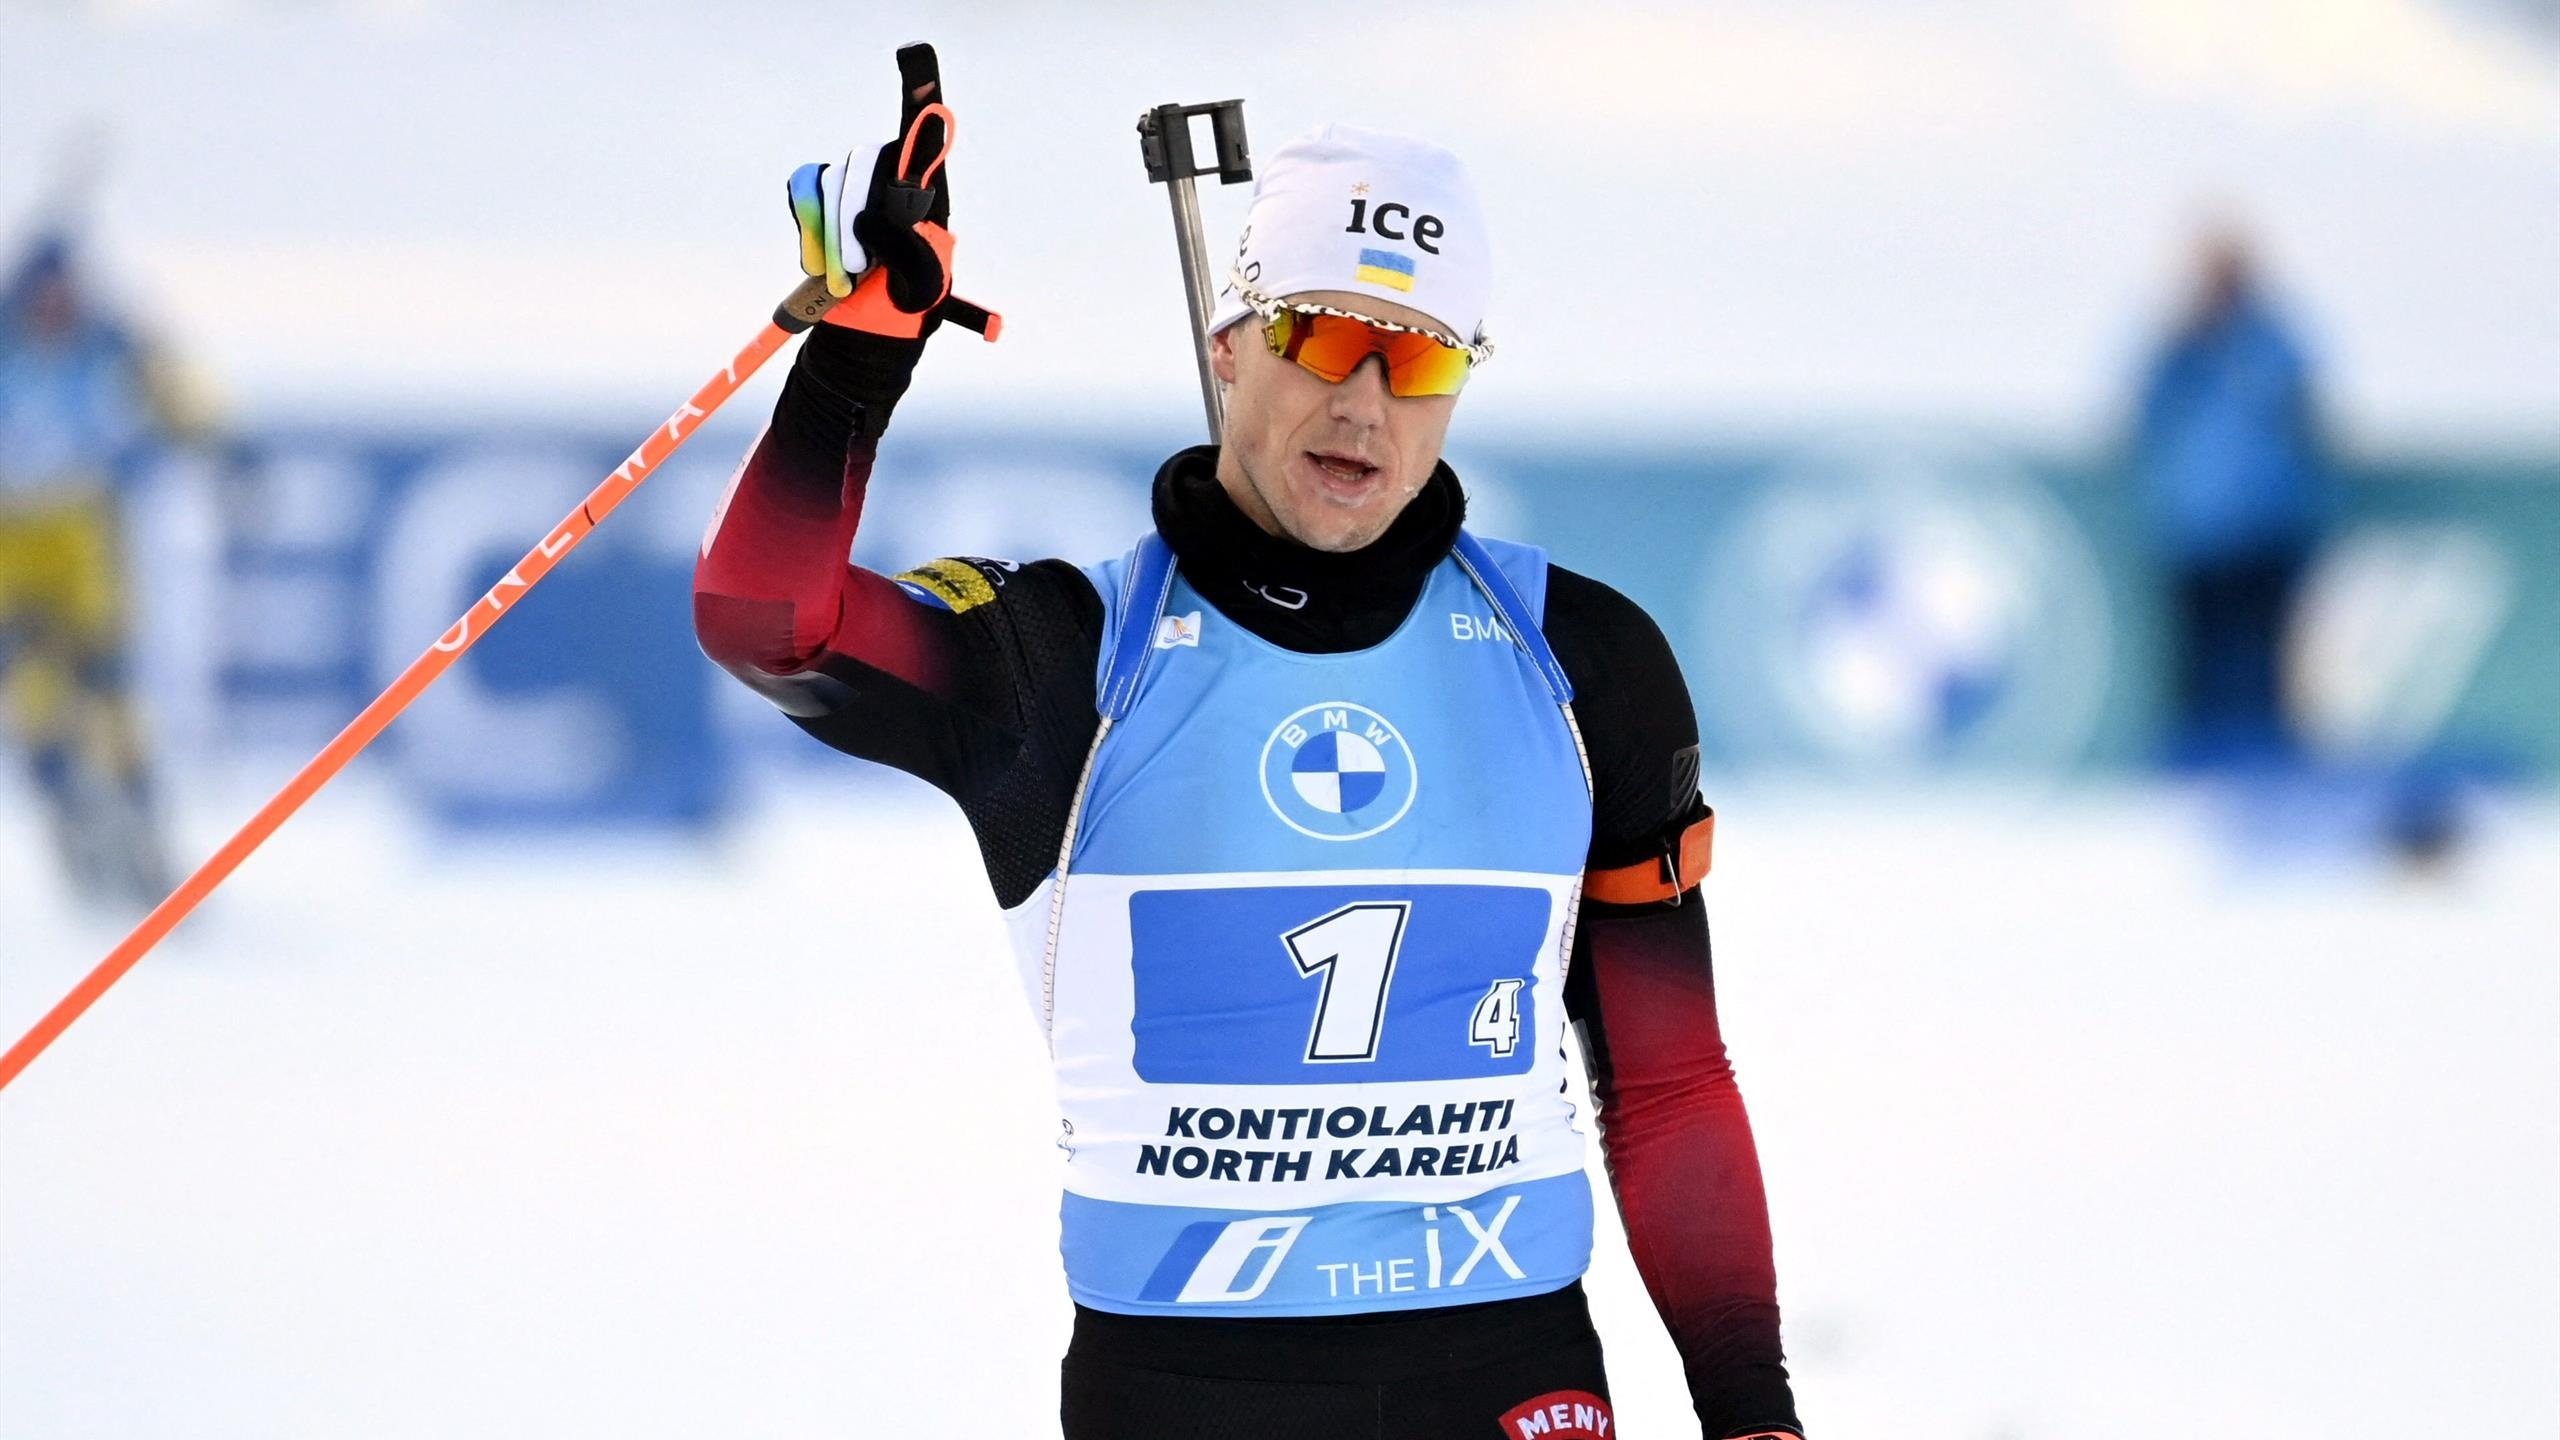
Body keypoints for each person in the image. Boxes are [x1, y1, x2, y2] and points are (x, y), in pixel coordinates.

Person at [694, 52, 1803, 1440]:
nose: (1365, 406)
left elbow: (1672, 1083)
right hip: (1187, 1392)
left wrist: (1751, 1408)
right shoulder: (1062, 656)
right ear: (1232, 345)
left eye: (1419, 360)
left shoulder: (1584, 663)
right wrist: (861, 347)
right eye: (1324, 341)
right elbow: (766, 619)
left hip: (1510, 1371)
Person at [0, 231, 185, 905]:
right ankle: (68, 810)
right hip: (9, 535)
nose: (55, 309)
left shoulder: (106, 347)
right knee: (31, 685)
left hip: (81, 529)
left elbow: (176, 398)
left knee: (107, 683)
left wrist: (212, 444)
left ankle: (140, 823)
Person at [2134, 225, 2329, 768]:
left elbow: (2305, 413)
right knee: (2196, 665)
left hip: (2270, 528)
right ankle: (2193, 773)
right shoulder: (2175, 344)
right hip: (2195, 532)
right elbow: (2141, 412)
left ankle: (2271, 773)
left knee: (2271, 664)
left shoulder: (2274, 340)